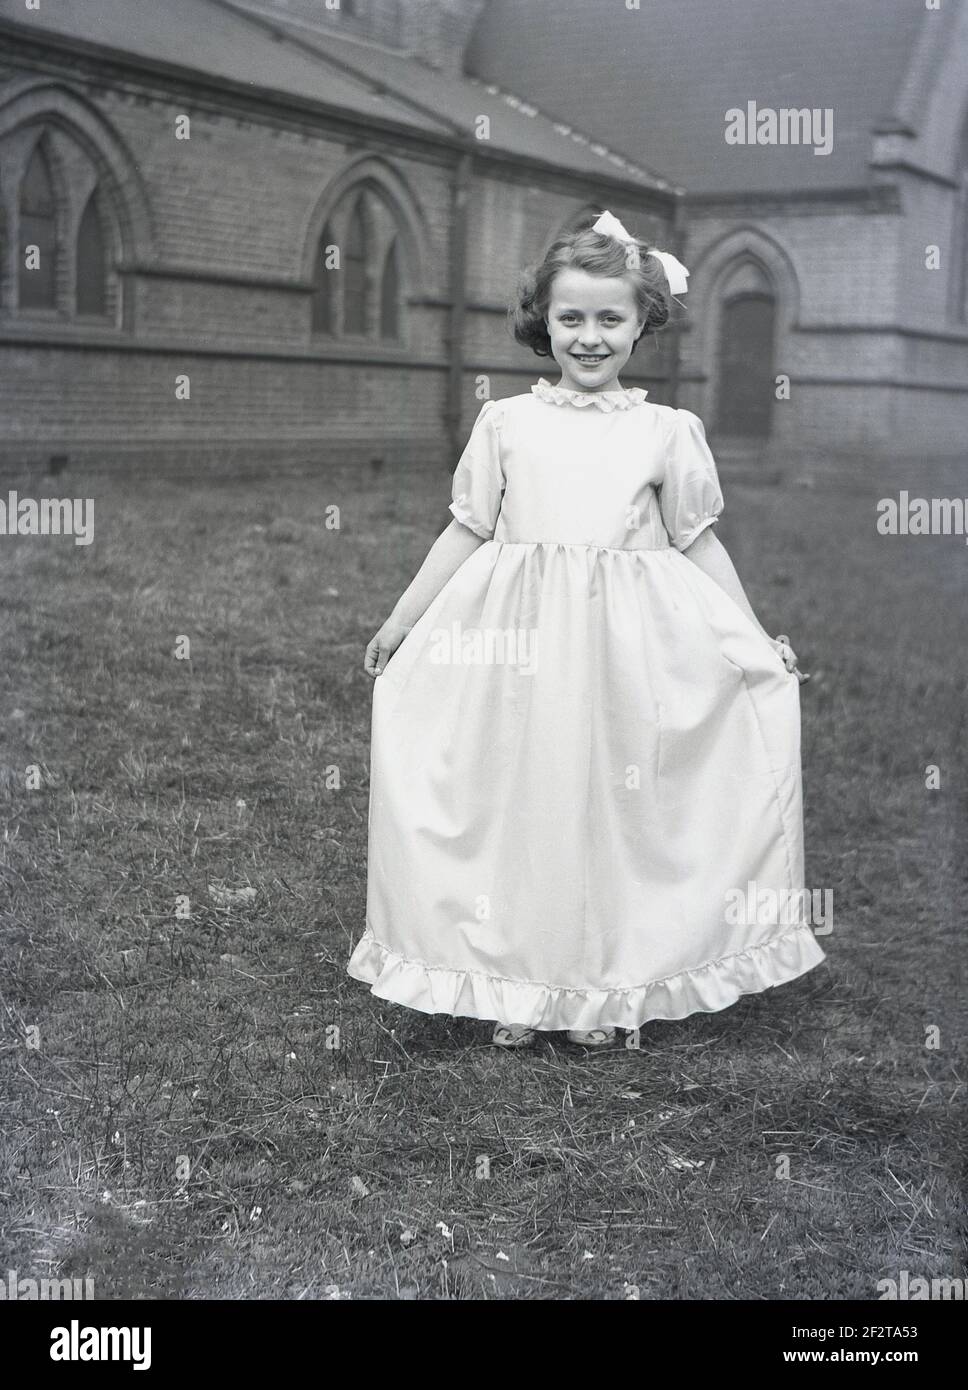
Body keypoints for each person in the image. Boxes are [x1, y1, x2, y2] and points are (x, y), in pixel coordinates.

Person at [348, 210, 826, 1049]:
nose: (591, 337)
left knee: (608, 805)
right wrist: (401, 620)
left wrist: (754, 640)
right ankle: (518, 981)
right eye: (573, 318)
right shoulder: (507, 424)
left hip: (622, 656)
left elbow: (696, 541)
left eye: (612, 318)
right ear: (545, 322)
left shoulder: (666, 433)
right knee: (521, 802)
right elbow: (467, 529)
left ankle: (600, 985)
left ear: (644, 322)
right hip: (517, 649)